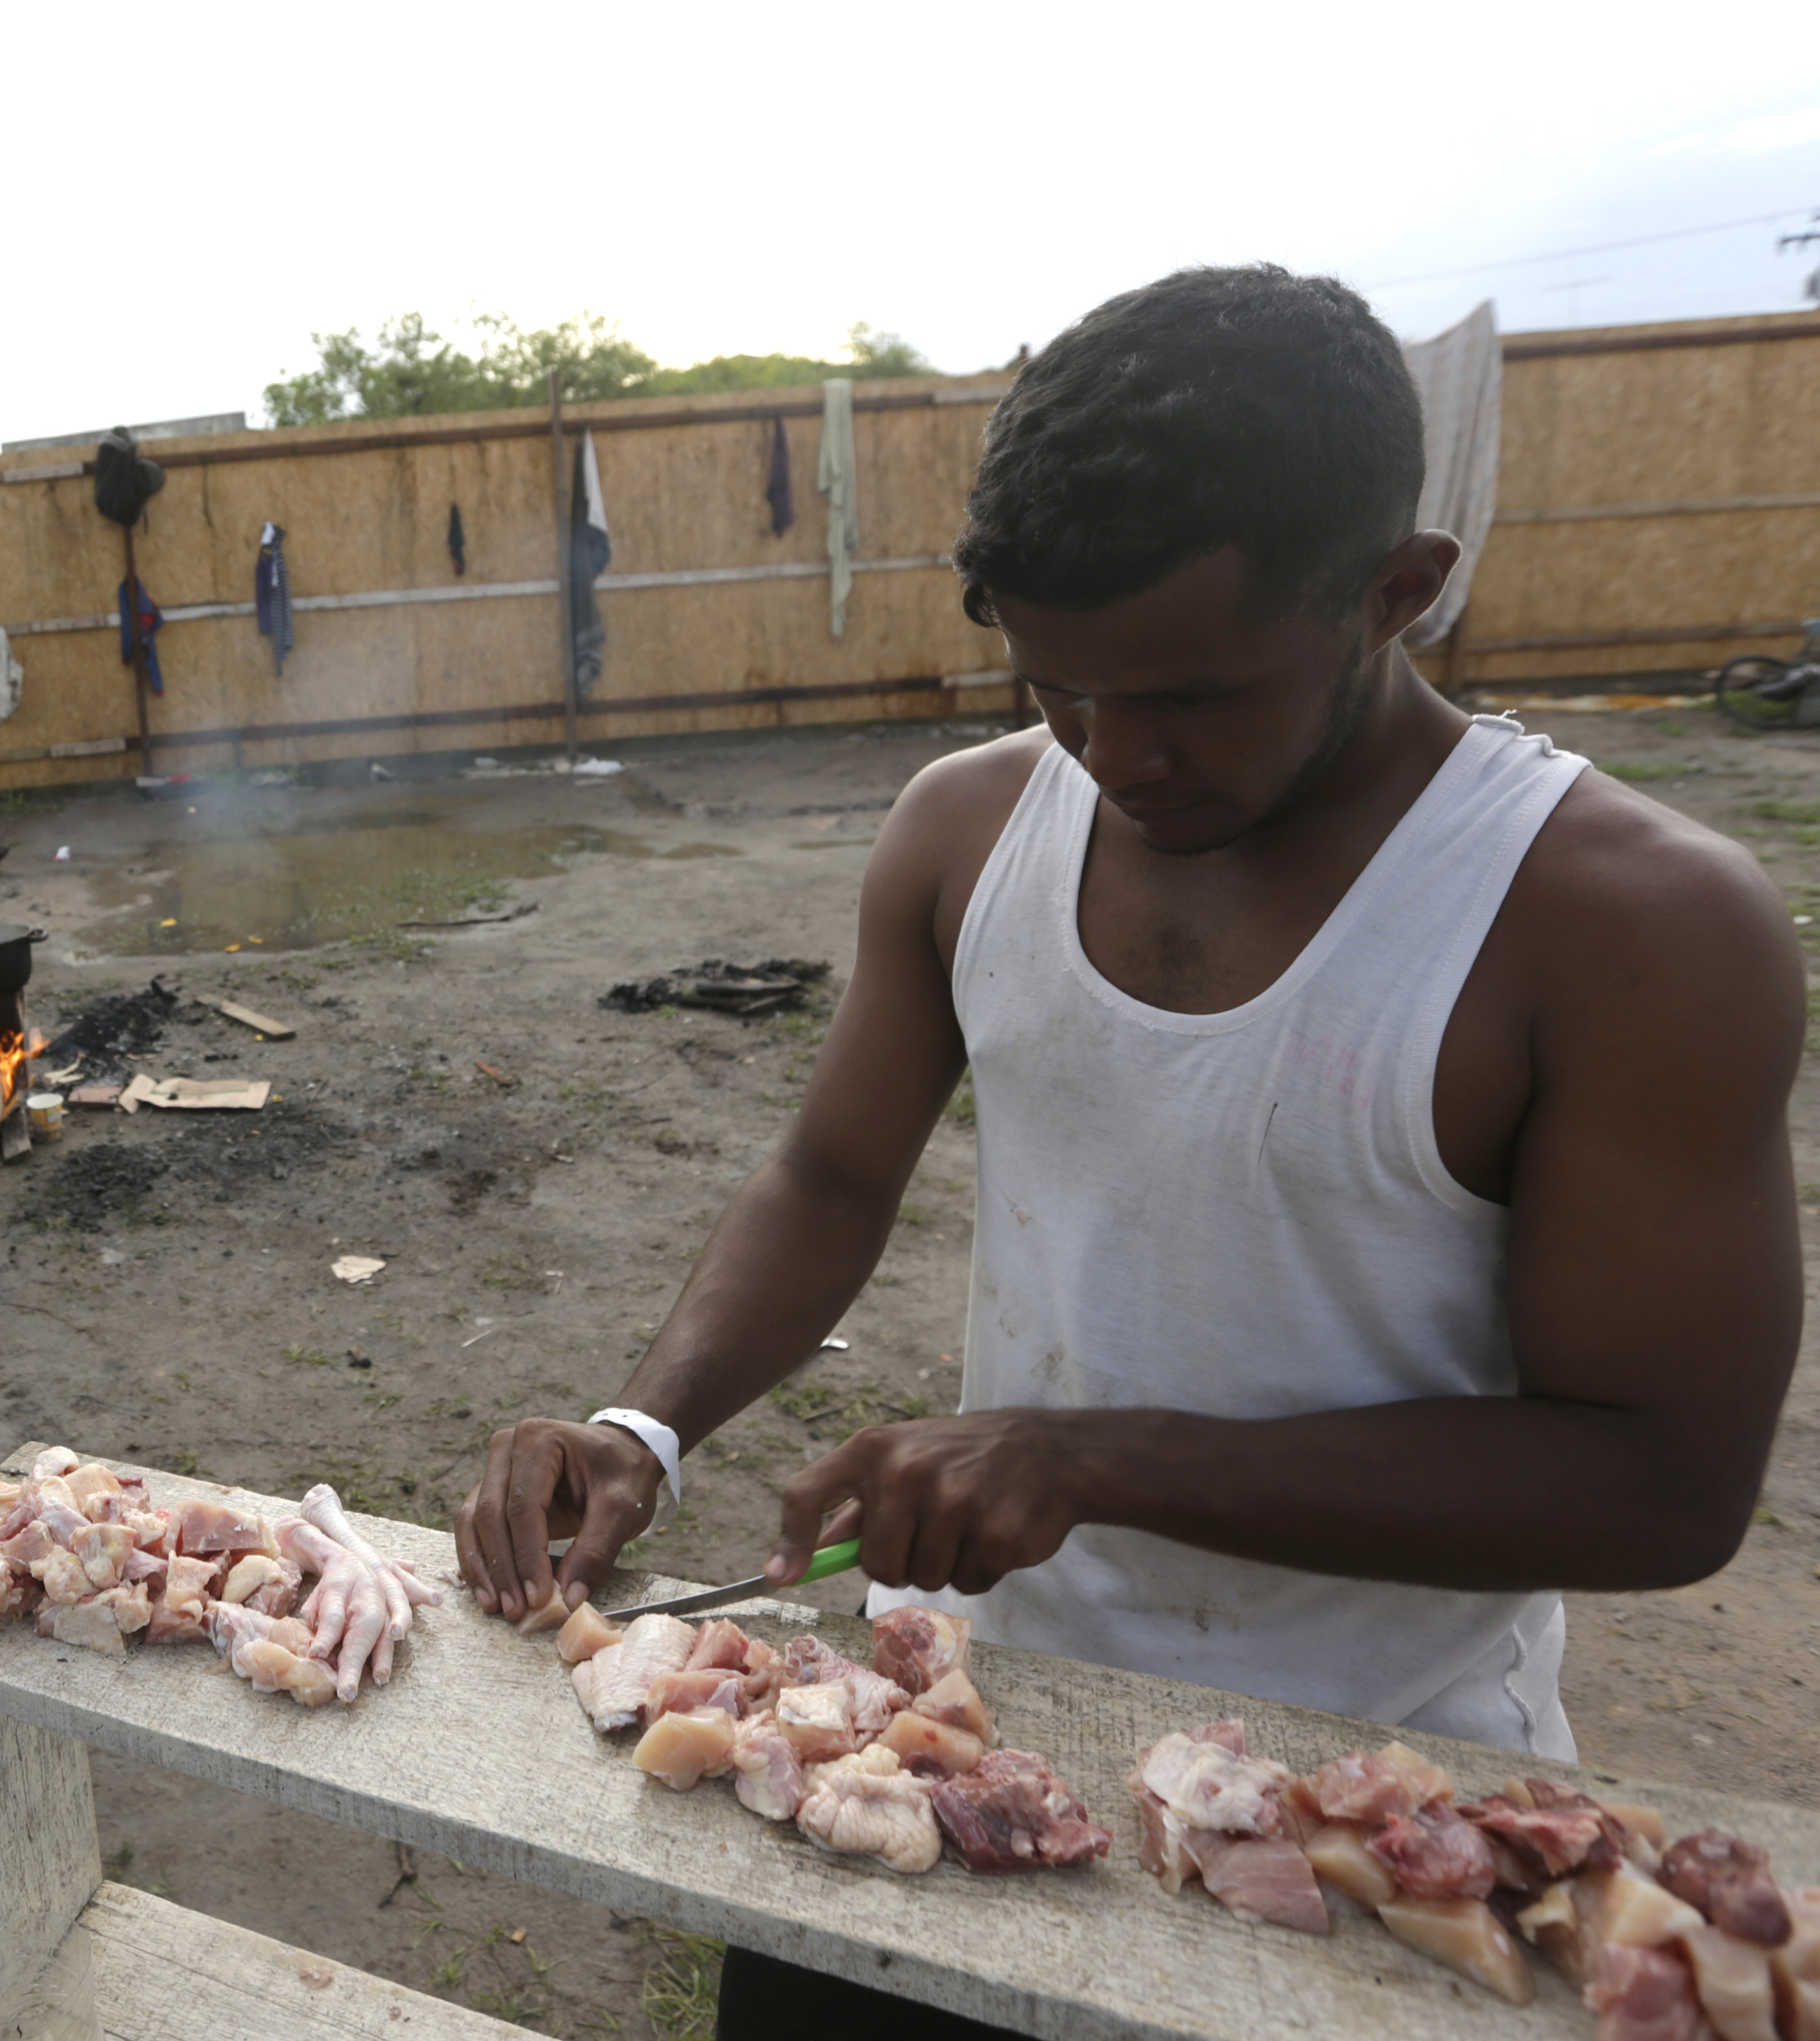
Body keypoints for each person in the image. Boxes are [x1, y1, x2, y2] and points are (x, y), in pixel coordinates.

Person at [451, 267, 1801, 2037]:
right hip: (978, 1725)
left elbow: (1665, 1481)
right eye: (1056, 683)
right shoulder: (969, 824)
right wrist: (644, 1423)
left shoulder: (1622, 923)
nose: (1113, 754)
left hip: (1362, 1822)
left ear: (1399, 593)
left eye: (1190, 693)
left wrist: (1095, 1453)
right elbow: (831, 1175)